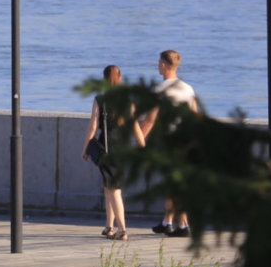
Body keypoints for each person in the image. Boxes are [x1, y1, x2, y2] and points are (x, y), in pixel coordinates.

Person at [135, 49, 200, 236]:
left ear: (164, 65)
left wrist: (140, 142)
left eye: (158, 62)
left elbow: (150, 120)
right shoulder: (188, 88)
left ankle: (183, 225)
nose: (157, 65)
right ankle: (168, 222)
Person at [82, 64, 128, 239]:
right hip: (122, 146)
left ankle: (122, 229)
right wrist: (141, 142)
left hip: (106, 147)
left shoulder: (100, 99)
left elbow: (93, 126)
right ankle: (109, 226)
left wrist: (85, 147)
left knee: (114, 189)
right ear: (120, 79)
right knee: (109, 186)